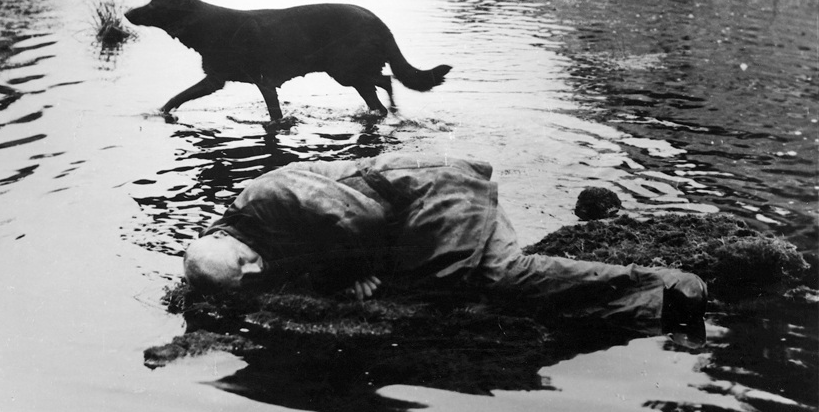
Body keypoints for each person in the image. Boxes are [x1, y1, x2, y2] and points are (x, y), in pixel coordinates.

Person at [183, 152, 708, 329]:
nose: (257, 273)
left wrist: (349, 274)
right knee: (475, 289)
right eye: (244, 280)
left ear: (231, 243)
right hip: (416, 212)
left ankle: (665, 286)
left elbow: (362, 219)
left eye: (247, 263)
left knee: (490, 280)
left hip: (432, 192)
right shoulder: (240, 239)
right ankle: (656, 309)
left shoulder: (266, 197)